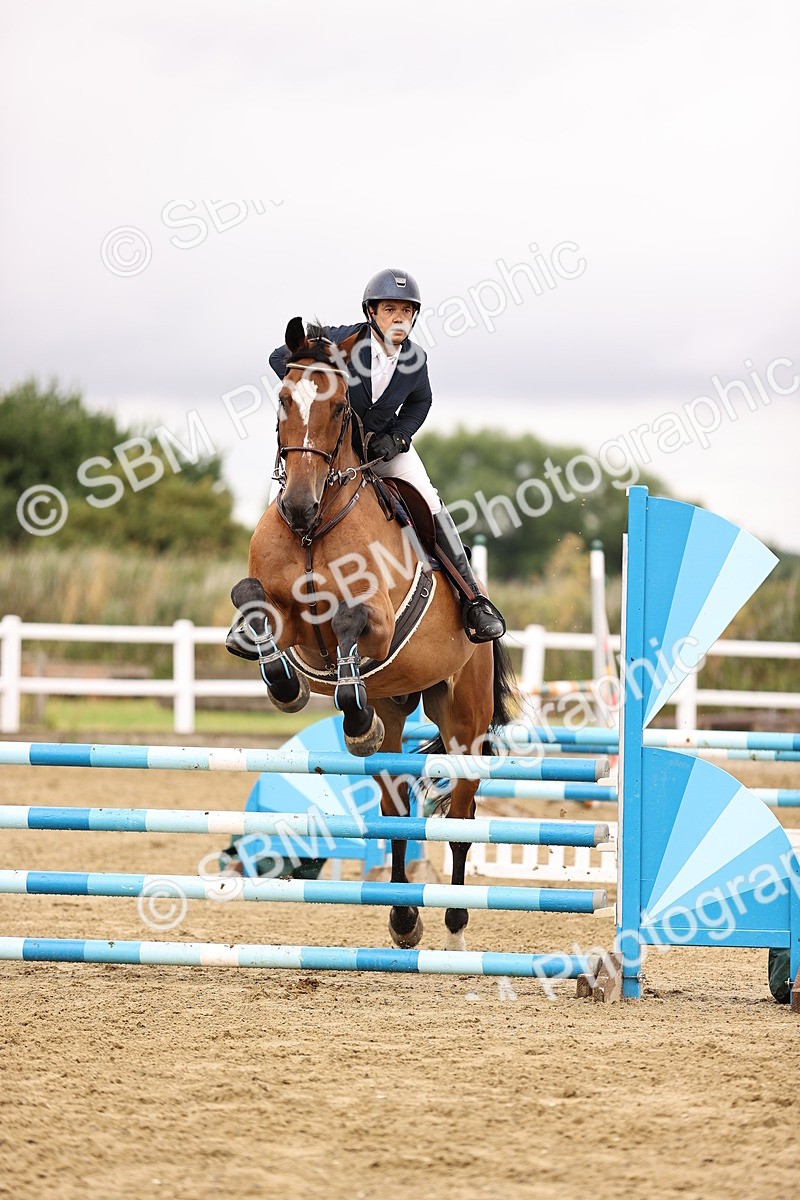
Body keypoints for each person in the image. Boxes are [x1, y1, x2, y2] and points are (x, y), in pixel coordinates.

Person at [267, 268, 505, 643]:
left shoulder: (415, 359)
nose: (399, 318)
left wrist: (398, 437)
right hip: (331, 447)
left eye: (406, 311)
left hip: (382, 449)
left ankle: (473, 598)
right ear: (372, 312)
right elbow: (278, 357)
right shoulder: (341, 341)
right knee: (281, 493)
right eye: (390, 309)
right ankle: (260, 599)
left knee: (428, 497)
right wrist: (316, 371)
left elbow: (421, 401)